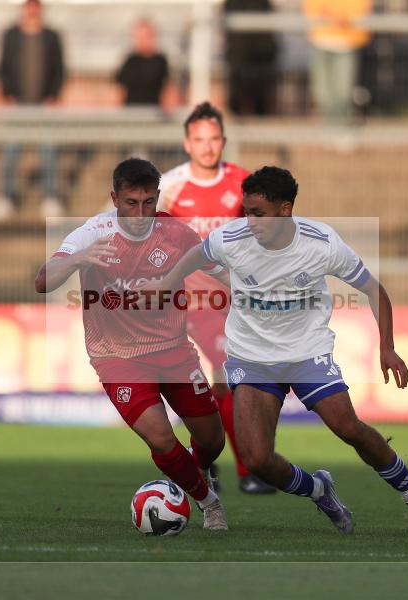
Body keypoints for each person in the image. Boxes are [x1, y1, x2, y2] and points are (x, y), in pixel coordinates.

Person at [147, 166, 408, 534]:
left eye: (258, 213)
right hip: (251, 357)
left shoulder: (320, 242)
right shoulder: (231, 238)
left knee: (348, 427)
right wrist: (165, 284)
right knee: (256, 459)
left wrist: (388, 347)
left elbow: (373, 289)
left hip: (307, 352)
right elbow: (195, 256)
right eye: (246, 211)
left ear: (285, 209)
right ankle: (318, 489)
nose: (249, 221)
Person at [34, 158, 228, 530]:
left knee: (212, 439)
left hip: (173, 350)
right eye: (130, 203)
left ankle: (196, 469)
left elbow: (221, 272)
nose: (140, 213)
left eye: (148, 202)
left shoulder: (176, 233)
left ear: (156, 198)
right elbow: (44, 280)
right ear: (114, 198)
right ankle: (209, 502)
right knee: (159, 436)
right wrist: (78, 258)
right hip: (118, 357)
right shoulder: (93, 233)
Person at [158, 102, 276, 495]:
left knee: (232, 382)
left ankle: (224, 466)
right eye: (199, 139)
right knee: (212, 381)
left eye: (214, 139)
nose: (208, 147)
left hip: (229, 303)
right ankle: (241, 469)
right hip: (183, 303)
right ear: (187, 143)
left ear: (223, 141)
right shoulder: (168, 188)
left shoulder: (243, 184)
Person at [0, 0, 67, 224]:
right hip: (17, 105)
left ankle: (50, 198)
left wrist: (54, 95)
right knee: (11, 150)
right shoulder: (11, 35)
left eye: (35, 5)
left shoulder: (51, 36)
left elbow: (59, 68)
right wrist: (6, 94)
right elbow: (2, 67)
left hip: (44, 106)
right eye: (28, 5)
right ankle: (5, 197)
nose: (32, 9)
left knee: (48, 151)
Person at [302, 0, 372, 123]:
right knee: (322, 93)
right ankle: (330, 126)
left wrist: (342, 17)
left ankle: (341, 126)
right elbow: (312, 8)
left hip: (347, 41)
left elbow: (360, 9)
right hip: (320, 40)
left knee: (343, 93)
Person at [223, 0, 279, 116]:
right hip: (240, 48)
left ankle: (258, 114)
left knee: (260, 84)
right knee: (237, 83)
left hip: (259, 48)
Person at [115, 19, 170, 107]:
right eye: (139, 36)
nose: (142, 40)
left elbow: (168, 89)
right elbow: (120, 89)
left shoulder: (160, 60)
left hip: (154, 111)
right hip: (131, 111)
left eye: (145, 36)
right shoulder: (130, 60)